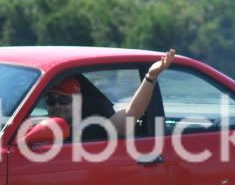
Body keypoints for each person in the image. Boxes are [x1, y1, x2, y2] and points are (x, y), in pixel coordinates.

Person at [44, 48, 177, 138]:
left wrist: (150, 77)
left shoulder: (94, 130)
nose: (57, 105)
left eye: (64, 100)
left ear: (79, 101)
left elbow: (132, 113)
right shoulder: (38, 130)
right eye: (51, 100)